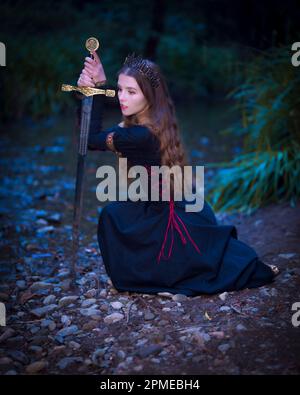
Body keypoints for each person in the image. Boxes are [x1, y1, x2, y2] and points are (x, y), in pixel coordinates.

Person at [76, 51, 278, 297]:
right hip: (167, 203)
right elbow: (96, 136)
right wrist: (95, 88)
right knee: (118, 213)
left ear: (148, 95)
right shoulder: (152, 118)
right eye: (119, 89)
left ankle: (142, 272)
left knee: (112, 216)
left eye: (131, 92)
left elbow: (89, 139)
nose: (121, 98)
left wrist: (93, 91)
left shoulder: (139, 135)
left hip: (161, 214)